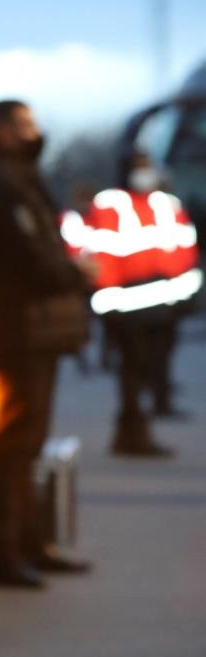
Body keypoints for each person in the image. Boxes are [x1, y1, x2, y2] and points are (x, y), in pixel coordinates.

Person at [0, 100, 92, 589]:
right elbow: (30, 259)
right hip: (12, 333)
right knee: (12, 446)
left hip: (28, 331)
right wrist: (75, 273)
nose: (35, 132)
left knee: (25, 445)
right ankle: (5, 553)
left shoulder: (18, 181)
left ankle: (31, 545)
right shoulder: (3, 188)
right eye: (24, 125)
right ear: (1, 133)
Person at [67, 151, 201, 457]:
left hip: (165, 301)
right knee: (133, 370)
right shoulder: (110, 205)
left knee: (155, 364)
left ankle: (149, 415)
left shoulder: (166, 204)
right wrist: (108, 299)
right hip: (127, 303)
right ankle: (131, 432)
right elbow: (100, 252)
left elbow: (183, 247)